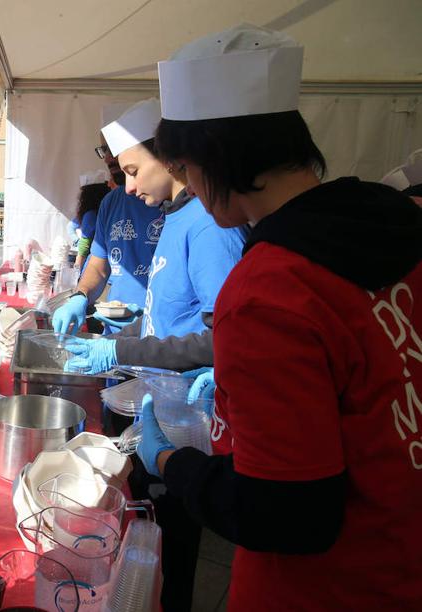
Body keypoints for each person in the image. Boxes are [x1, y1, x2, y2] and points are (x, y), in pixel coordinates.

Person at [141, 25, 422, 610]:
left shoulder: (269, 290)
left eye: (187, 171)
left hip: (322, 589)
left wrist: (172, 461)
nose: (190, 188)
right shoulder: (395, 228)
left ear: (214, 159)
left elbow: (288, 516)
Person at [64, 97, 246, 612]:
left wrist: (120, 347)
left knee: (174, 552)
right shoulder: (178, 215)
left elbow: (224, 333)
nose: (127, 186)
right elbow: (178, 310)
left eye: (133, 170)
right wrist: (134, 320)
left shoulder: (210, 226)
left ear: (170, 157)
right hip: (160, 403)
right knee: (150, 540)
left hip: (187, 416)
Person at [53, 112, 162, 336]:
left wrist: (152, 320)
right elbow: (99, 265)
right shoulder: (111, 203)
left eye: (113, 148)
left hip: (161, 341)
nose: (108, 158)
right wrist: (80, 296)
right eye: (104, 149)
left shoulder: (175, 208)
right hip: (115, 335)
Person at [71, 172, 110, 270]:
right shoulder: (109, 211)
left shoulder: (91, 215)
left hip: (93, 265)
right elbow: (72, 225)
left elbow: (85, 244)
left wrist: (77, 268)